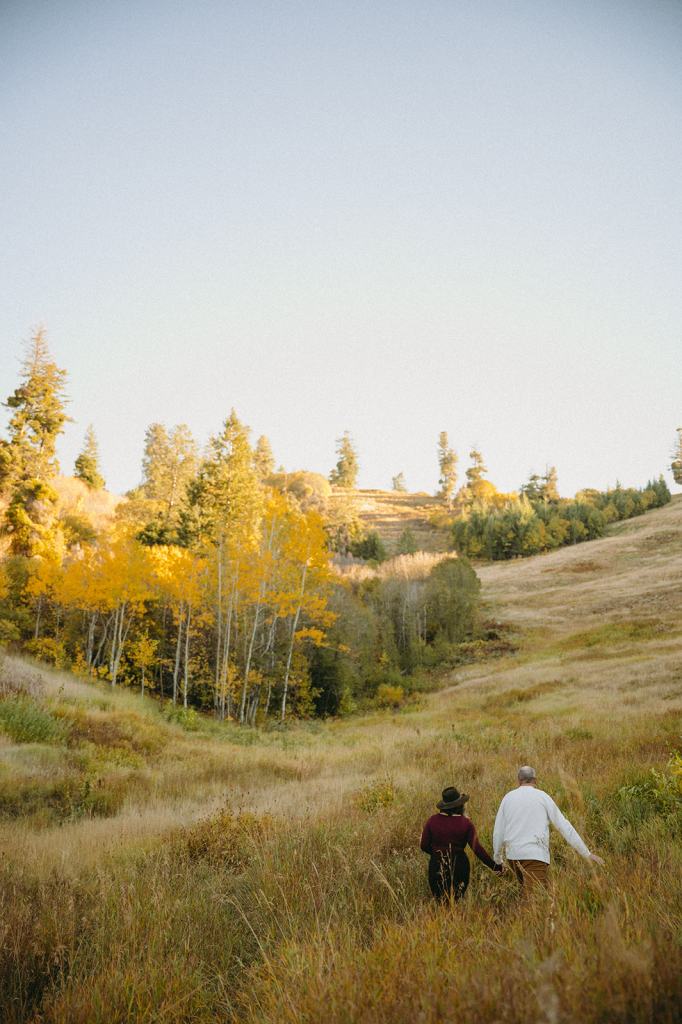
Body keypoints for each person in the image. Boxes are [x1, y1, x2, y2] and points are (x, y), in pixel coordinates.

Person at [493, 765, 604, 888]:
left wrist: (498, 860)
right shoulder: (543, 797)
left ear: (518, 780)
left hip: (513, 857)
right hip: (534, 856)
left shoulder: (508, 798)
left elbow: (498, 832)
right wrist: (586, 853)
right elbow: (564, 826)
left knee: (528, 895)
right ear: (535, 780)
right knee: (534, 902)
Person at [421, 786, 502, 902]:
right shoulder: (466, 824)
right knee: (456, 900)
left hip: (436, 866)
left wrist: (438, 853)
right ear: (460, 805)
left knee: (441, 902)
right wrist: (495, 867)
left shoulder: (432, 820)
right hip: (459, 866)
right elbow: (477, 849)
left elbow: (423, 845)